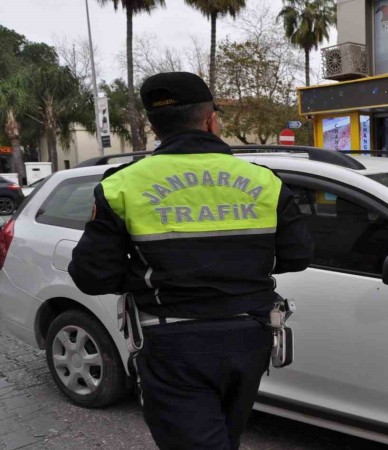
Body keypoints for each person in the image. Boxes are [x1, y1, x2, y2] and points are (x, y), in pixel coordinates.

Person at [68, 72, 313, 450]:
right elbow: (298, 257)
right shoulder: (267, 181)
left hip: (173, 342)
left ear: (153, 126)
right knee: (224, 437)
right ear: (211, 120)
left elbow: (92, 276)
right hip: (251, 336)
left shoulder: (121, 185)